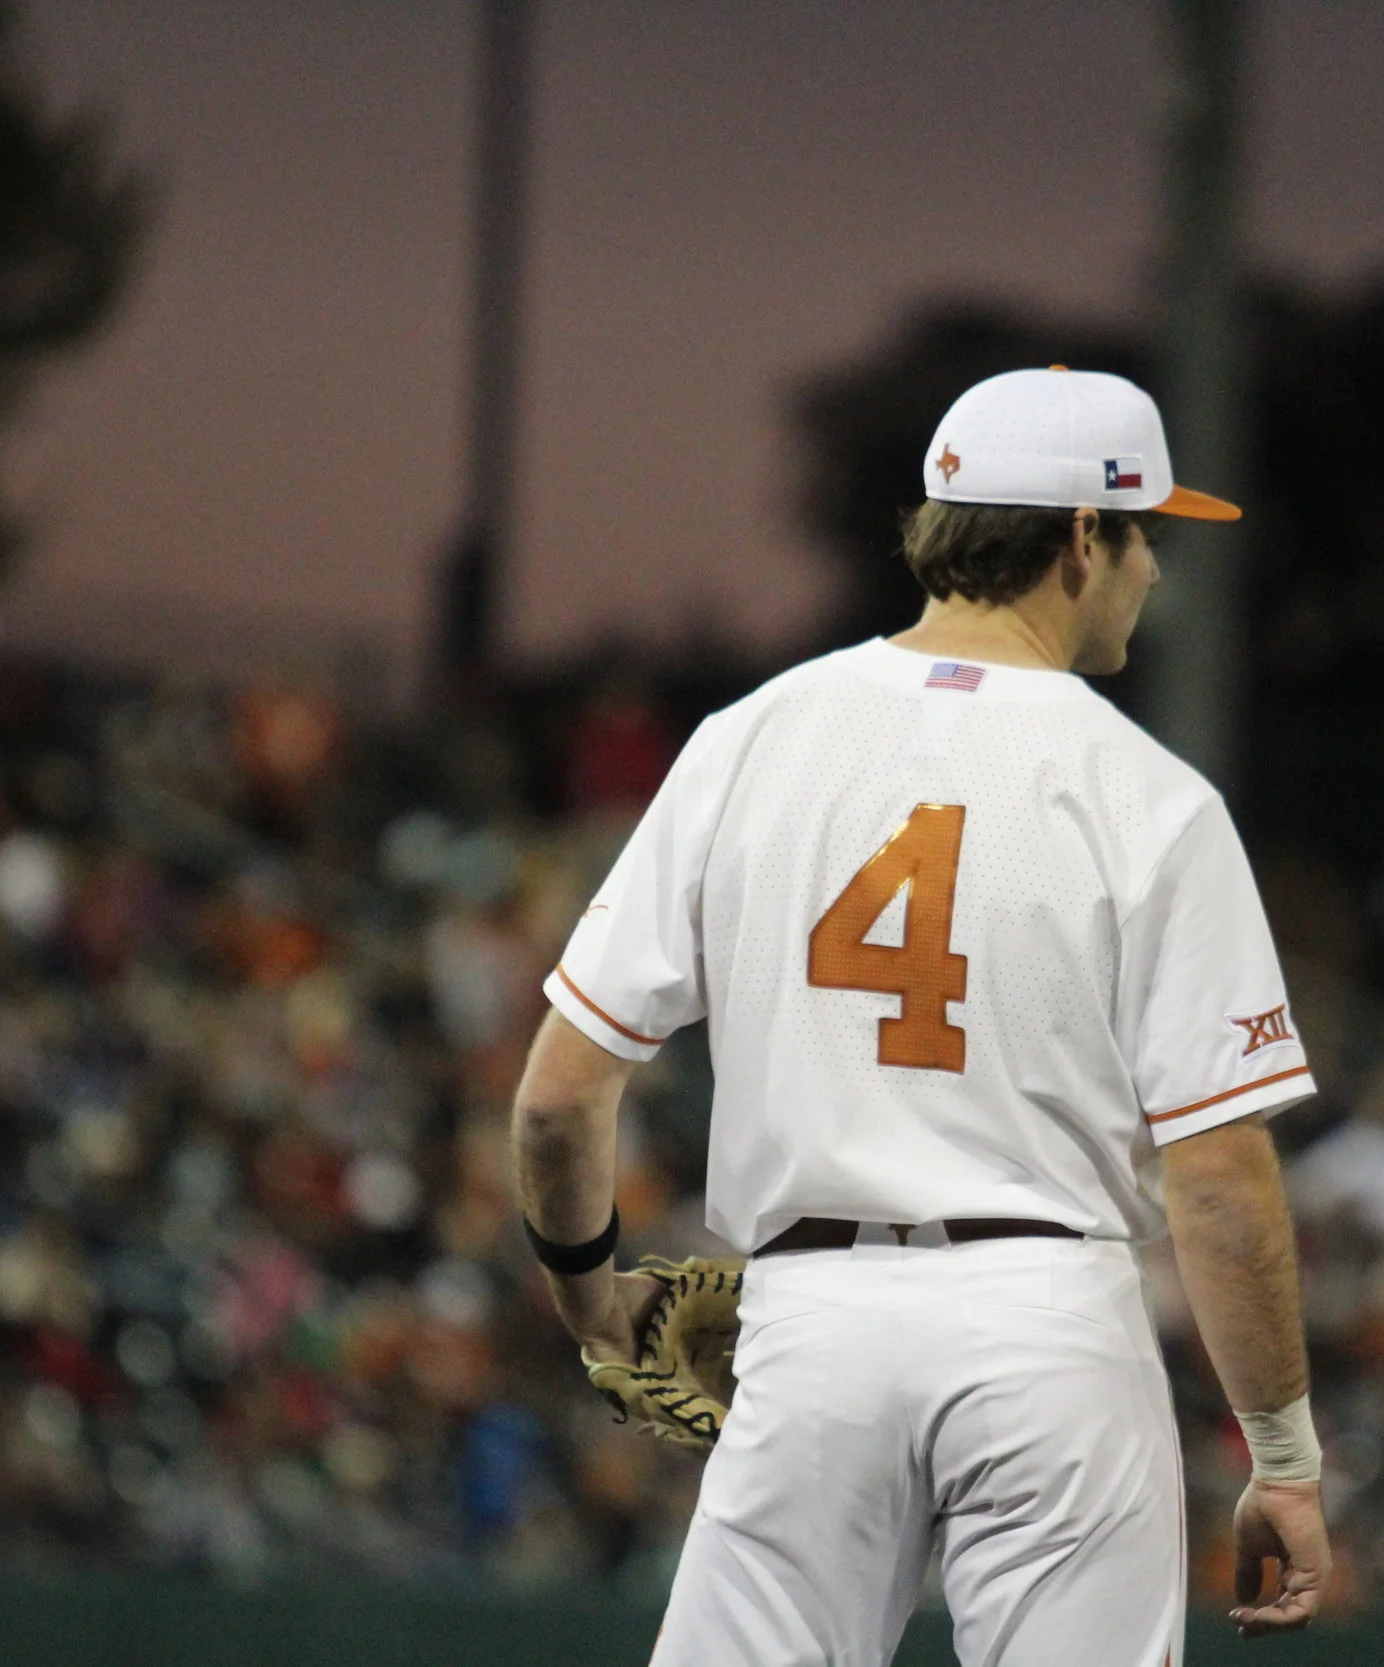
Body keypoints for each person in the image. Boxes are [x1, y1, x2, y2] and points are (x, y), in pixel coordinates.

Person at [511, 367, 1331, 1664]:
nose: (1153, 570)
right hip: (1046, 1319)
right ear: (1080, 537)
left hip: (812, 1325)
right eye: (1144, 535)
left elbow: (559, 1100)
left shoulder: (749, 737)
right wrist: (1281, 1455)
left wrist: (590, 1298)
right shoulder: (1151, 795)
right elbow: (1220, 1174)